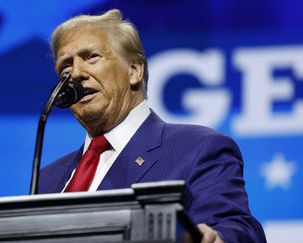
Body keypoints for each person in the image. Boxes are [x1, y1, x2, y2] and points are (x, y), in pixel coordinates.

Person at [38, 9, 266, 243]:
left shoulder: (198, 148)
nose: (75, 74)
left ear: (134, 71)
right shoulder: (47, 180)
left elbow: (237, 229)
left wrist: (217, 239)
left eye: (92, 57)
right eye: (65, 68)